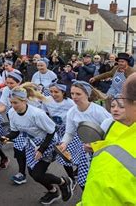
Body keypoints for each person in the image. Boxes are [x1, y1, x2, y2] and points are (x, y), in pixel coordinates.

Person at [4, 86, 74, 205]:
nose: (13, 105)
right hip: (32, 144)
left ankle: (64, 182)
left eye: (16, 102)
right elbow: (15, 132)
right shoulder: (11, 113)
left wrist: (41, 149)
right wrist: (7, 137)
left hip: (48, 144)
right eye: (11, 102)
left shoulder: (37, 114)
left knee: (37, 174)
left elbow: (51, 132)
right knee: (32, 173)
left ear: (24, 101)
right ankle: (52, 191)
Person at [78, 73, 136, 205]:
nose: (117, 109)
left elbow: (98, 198)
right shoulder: (115, 125)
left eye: (124, 100)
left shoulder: (111, 166)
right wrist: (98, 147)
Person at [57, 80, 112, 190]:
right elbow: (69, 132)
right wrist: (64, 143)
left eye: (78, 94)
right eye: (72, 94)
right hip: (86, 150)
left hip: (103, 150)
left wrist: (98, 145)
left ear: (87, 94)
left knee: (101, 180)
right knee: (84, 182)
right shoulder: (72, 112)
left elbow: (112, 129)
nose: (74, 97)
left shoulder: (98, 111)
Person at [42, 82, 77, 183]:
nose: (53, 94)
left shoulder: (70, 103)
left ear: (63, 92)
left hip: (70, 131)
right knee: (64, 156)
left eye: (56, 92)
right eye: (51, 91)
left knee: (74, 154)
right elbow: (45, 113)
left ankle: (79, 169)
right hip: (56, 130)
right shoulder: (47, 101)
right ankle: (72, 178)